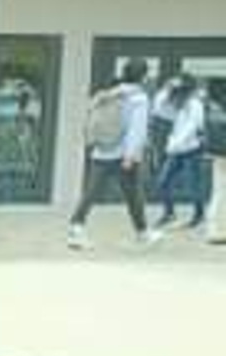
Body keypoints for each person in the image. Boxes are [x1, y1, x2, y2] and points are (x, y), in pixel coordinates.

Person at [66, 60, 152, 250]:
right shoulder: (139, 98)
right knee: (133, 195)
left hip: (101, 151)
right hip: (123, 154)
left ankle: (75, 230)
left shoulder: (109, 93)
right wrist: (130, 155)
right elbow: (137, 130)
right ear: (143, 77)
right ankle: (143, 234)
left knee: (90, 193)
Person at [150, 74, 216, 242]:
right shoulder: (177, 104)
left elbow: (192, 127)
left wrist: (174, 144)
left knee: (193, 184)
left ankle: (199, 214)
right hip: (176, 150)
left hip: (191, 150)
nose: (176, 95)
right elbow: (158, 108)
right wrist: (165, 89)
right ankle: (169, 213)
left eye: (179, 90)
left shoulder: (195, 105)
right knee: (163, 181)